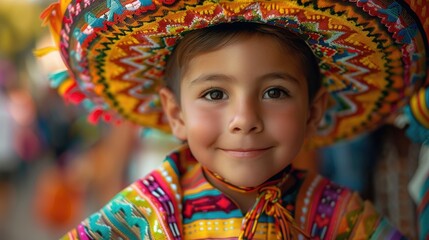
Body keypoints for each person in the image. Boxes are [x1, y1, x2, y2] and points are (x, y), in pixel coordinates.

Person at [38, 0, 427, 239]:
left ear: (313, 112)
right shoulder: (146, 211)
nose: (245, 119)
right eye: (214, 94)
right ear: (176, 114)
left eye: (275, 92)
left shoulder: (340, 214)